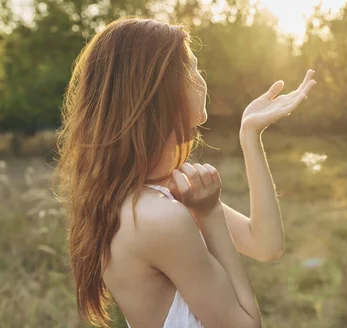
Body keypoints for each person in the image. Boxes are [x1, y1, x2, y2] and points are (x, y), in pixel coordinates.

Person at [53, 17, 316, 328]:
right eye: (192, 69)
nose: (202, 80)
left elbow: (266, 245)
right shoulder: (160, 217)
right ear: (159, 88)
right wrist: (210, 212)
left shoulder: (157, 192)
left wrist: (250, 135)